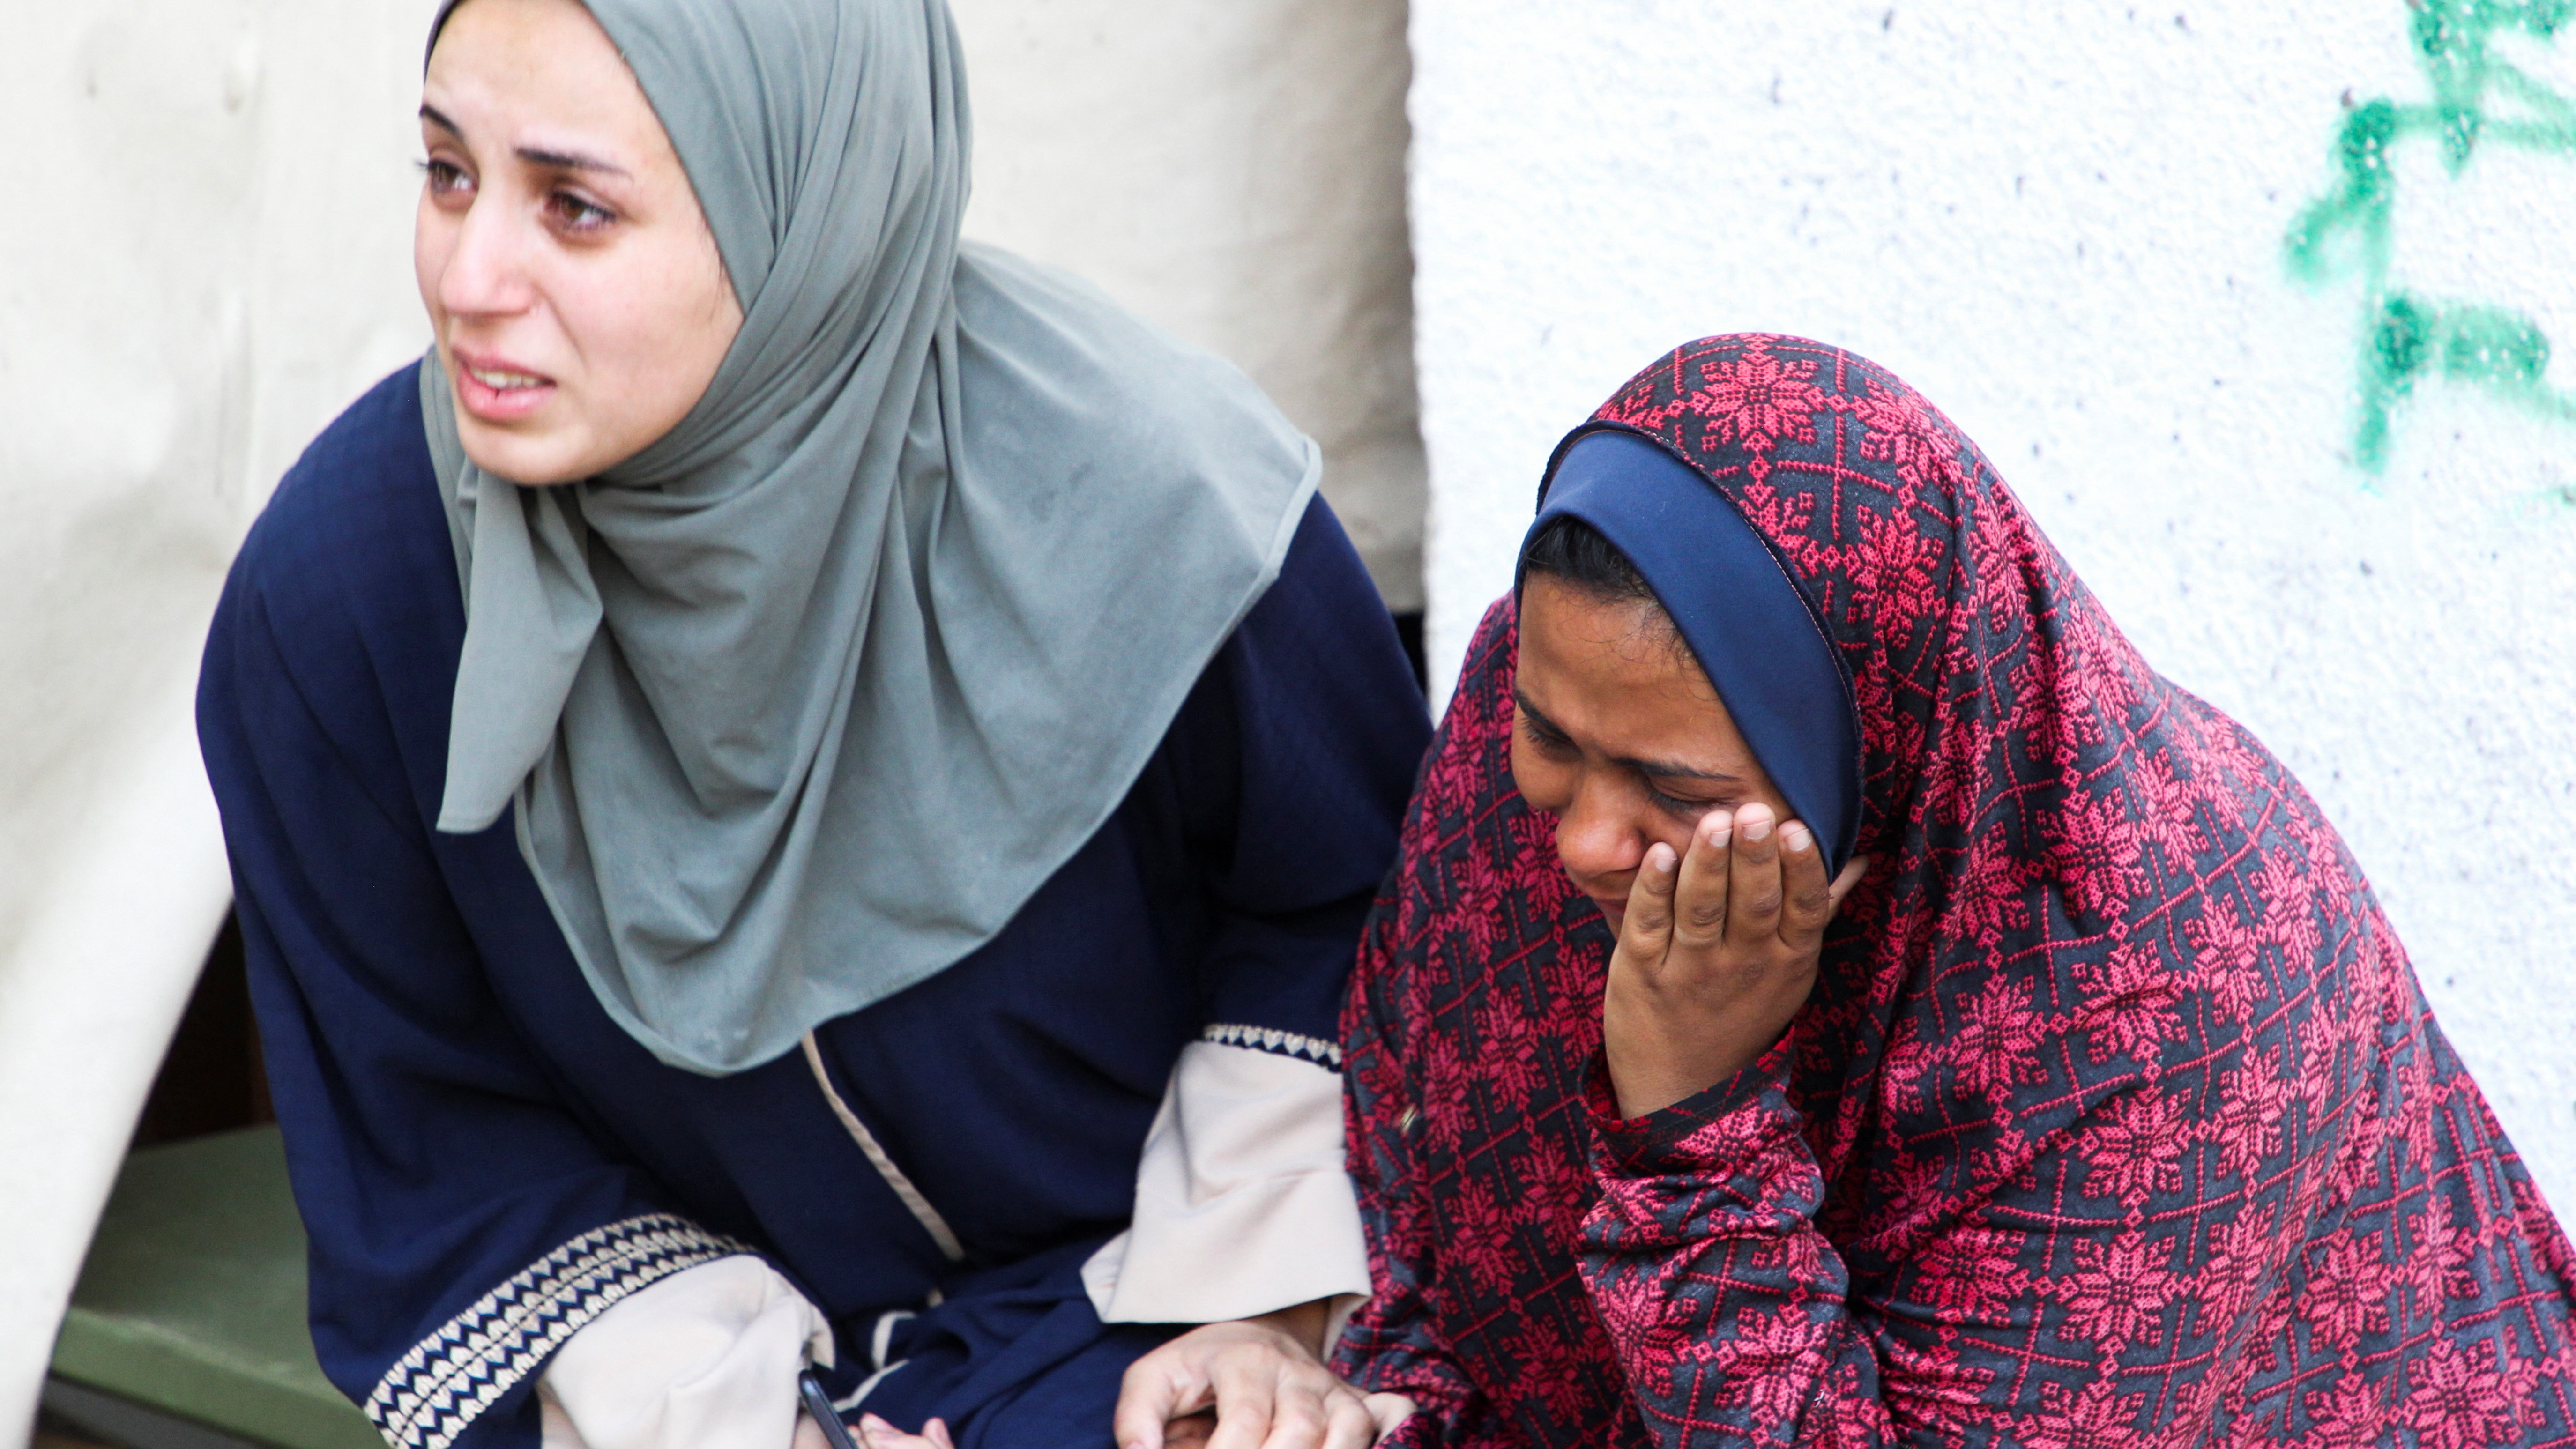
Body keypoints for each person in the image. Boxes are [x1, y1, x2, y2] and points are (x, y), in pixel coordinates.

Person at [193, 0, 1429, 1446]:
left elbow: (1356, 916)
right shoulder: (354, 595)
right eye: (447, 173)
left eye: (575, 208)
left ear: (810, 206)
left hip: (1152, 1327)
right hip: (661, 1382)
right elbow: (425, 1123)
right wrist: (751, 1423)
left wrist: (1250, 1308)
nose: (467, 279)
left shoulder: (1169, 507)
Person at [1332, 334, 2576, 1445]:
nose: (1584, 841)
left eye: (1678, 790)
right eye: (1549, 739)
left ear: (1879, 744)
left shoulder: (2180, 999)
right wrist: (1381, 1404)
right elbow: (1418, 1155)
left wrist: (1691, 1117)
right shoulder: (1552, 676)